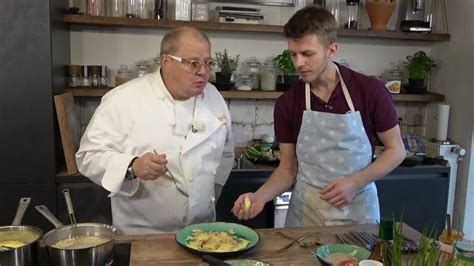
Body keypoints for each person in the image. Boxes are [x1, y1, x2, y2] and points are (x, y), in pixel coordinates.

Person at [232, 6, 405, 227]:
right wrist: (260, 197)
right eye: (293, 54)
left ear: (331, 50)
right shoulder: (288, 102)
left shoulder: (370, 91)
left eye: (307, 54)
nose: (298, 63)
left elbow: (396, 150)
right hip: (306, 215)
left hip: (359, 213)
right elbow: (287, 169)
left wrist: (355, 182)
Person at [76, 27, 235, 234]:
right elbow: (87, 156)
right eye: (193, 63)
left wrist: (212, 192)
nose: (203, 72)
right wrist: (132, 165)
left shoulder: (214, 97)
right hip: (143, 235)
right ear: (167, 62)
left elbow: (227, 151)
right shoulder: (124, 99)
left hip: (201, 232)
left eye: (208, 63)